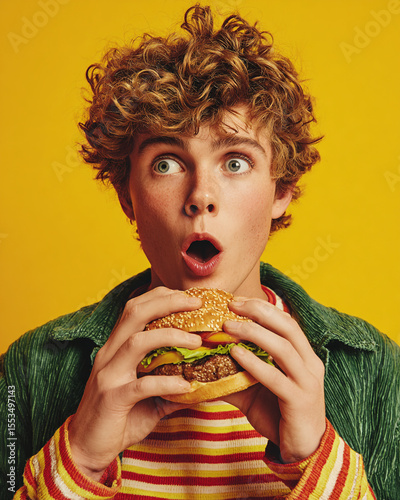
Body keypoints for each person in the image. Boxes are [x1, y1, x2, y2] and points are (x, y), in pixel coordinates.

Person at [1, 4, 399, 499]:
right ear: (129, 195)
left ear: (281, 190)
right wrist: (77, 461)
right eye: (166, 164)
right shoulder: (29, 370)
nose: (200, 195)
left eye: (235, 161)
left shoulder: (375, 369)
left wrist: (314, 459)